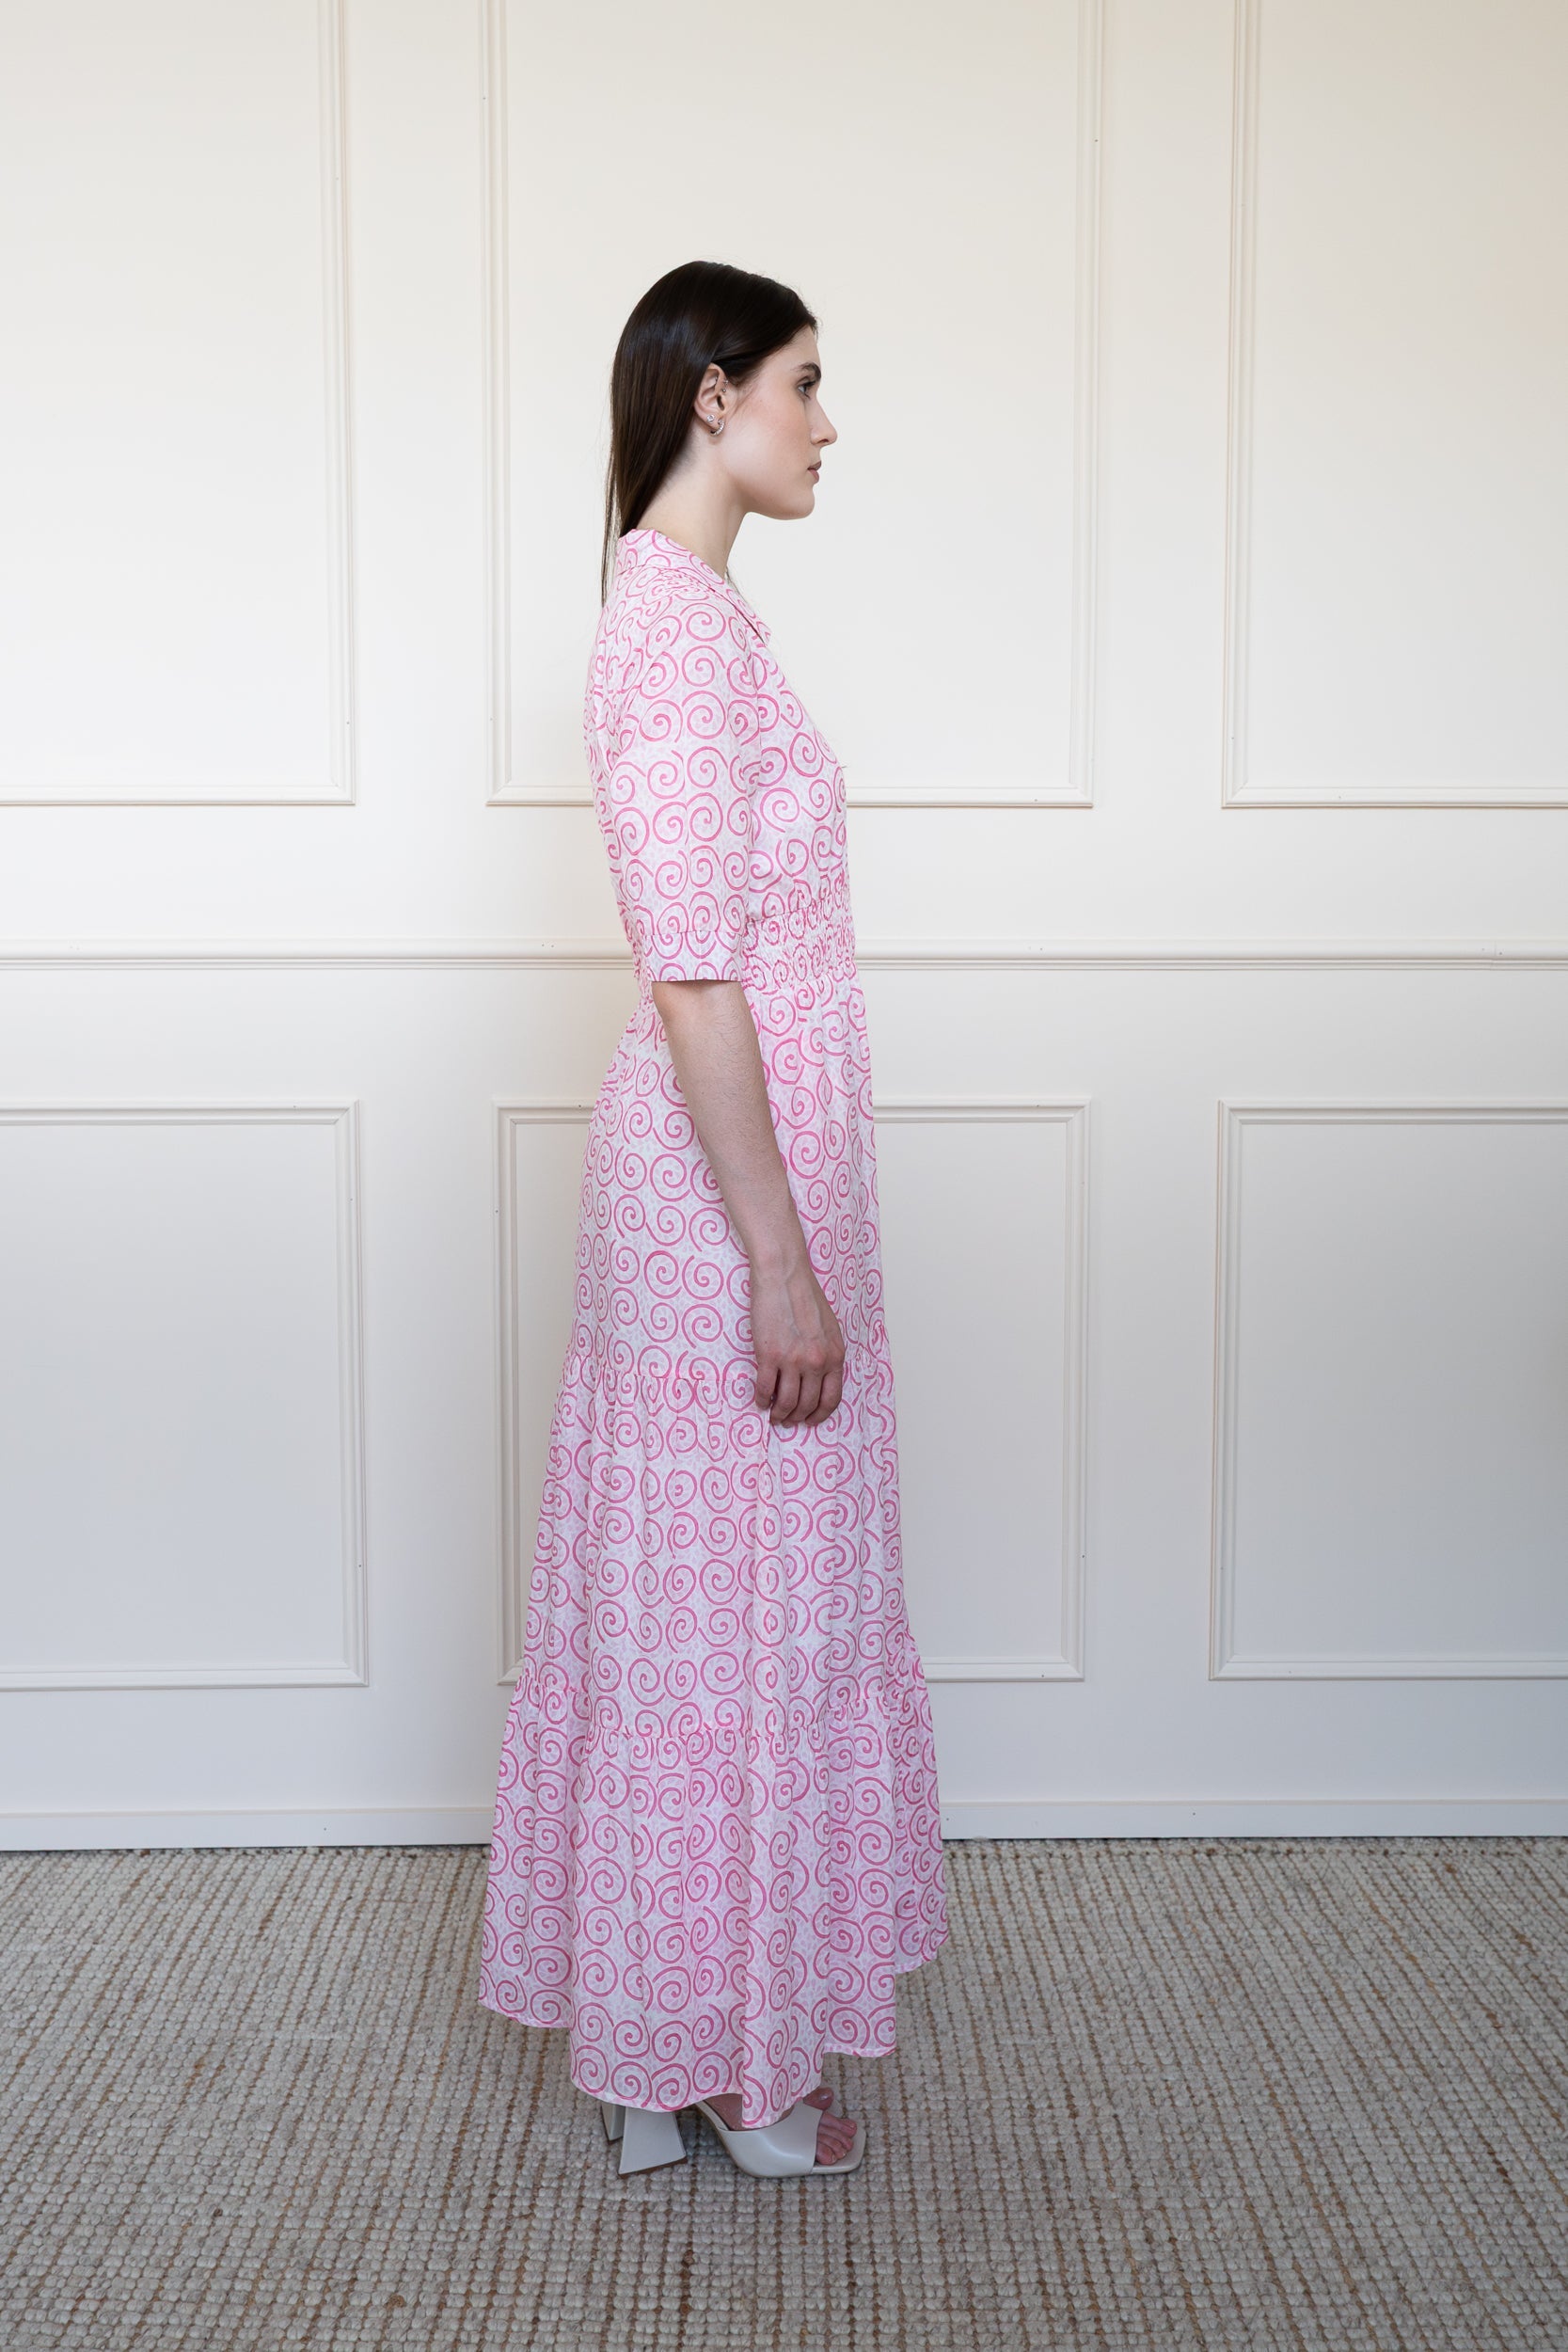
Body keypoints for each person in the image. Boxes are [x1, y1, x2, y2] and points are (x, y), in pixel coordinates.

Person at [478, 259, 947, 2180]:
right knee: (726, 1637)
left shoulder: (692, 616)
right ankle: (731, 2072)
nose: (828, 423)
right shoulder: (670, 631)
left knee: (714, 1629)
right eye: (805, 384)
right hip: (719, 1208)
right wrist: (779, 1258)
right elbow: (691, 975)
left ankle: (670, 2050)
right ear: (713, 396)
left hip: (746, 1183)